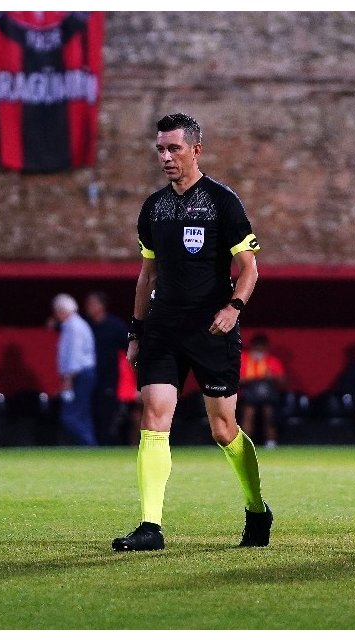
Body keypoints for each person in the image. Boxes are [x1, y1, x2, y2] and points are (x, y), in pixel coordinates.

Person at [112, 112, 273, 552]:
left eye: (174, 148)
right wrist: (136, 331)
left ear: (196, 150)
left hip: (210, 328)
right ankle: (150, 526)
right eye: (160, 149)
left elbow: (250, 268)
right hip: (162, 327)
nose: (165, 156)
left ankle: (256, 508)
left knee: (223, 429)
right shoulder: (153, 207)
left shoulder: (223, 202)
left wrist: (233, 308)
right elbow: (147, 276)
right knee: (154, 415)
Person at [51, 293, 98, 446]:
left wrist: (68, 380)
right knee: (82, 415)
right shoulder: (76, 325)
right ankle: (89, 447)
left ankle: (89, 445)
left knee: (70, 416)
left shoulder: (73, 327)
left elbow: (74, 355)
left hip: (79, 376)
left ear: (61, 310)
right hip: (83, 374)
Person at [84, 291, 130, 445]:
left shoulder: (115, 326)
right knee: (91, 412)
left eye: (92, 304)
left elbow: (129, 348)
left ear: (101, 306)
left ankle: (107, 446)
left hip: (108, 378)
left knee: (107, 414)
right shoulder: (86, 326)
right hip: (89, 377)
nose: (88, 307)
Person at [238, 333, 286, 449]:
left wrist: (273, 377)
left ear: (266, 347)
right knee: (248, 413)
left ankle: (271, 442)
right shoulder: (243, 359)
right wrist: (251, 379)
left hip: (268, 396)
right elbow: (236, 381)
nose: (259, 349)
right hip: (248, 395)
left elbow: (283, 383)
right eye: (256, 346)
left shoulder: (272, 361)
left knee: (269, 413)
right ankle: (245, 444)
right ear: (252, 346)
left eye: (262, 346)